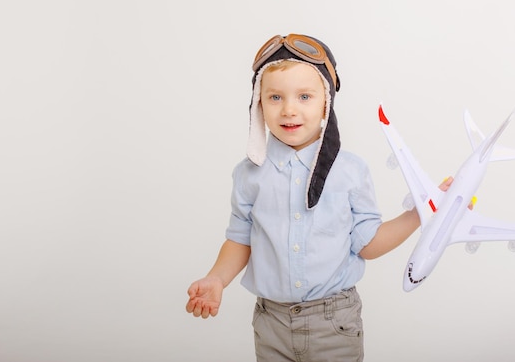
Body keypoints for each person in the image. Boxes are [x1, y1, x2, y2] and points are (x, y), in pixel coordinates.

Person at [186, 34, 455, 361]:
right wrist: (217, 278)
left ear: (326, 100)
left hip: (334, 321)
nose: (288, 109)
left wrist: (419, 213)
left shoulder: (350, 171)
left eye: (304, 96)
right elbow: (240, 238)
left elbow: (366, 244)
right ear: (258, 102)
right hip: (271, 322)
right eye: (274, 97)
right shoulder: (248, 174)